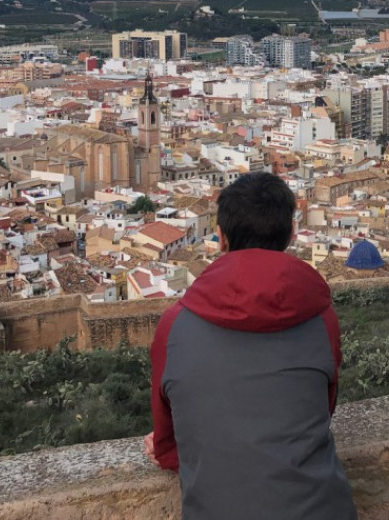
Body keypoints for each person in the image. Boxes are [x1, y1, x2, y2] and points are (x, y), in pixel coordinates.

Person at [144, 172, 357, 520]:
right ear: (291, 234)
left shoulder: (175, 326)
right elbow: (322, 408)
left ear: (221, 238)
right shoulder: (322, 318)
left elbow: (169, 444)